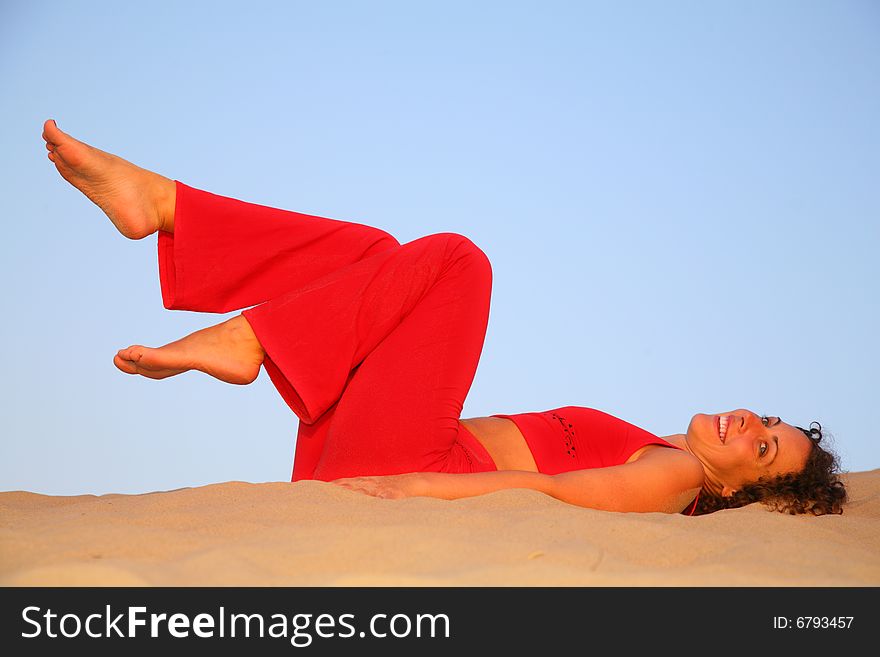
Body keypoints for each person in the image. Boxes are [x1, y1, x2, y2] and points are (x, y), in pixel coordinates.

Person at [41, 119, 847, 516]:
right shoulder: (667, 446)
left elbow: (545, 494)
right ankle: (169, 209)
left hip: (400, 470)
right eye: (767, 418)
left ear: (744, 490)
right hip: (369, 447)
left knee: (458, 263)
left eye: (764, 445)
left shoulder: (672, 476)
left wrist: (407, 487)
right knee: (379, 258)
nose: (751, 421)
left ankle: (249, 331)